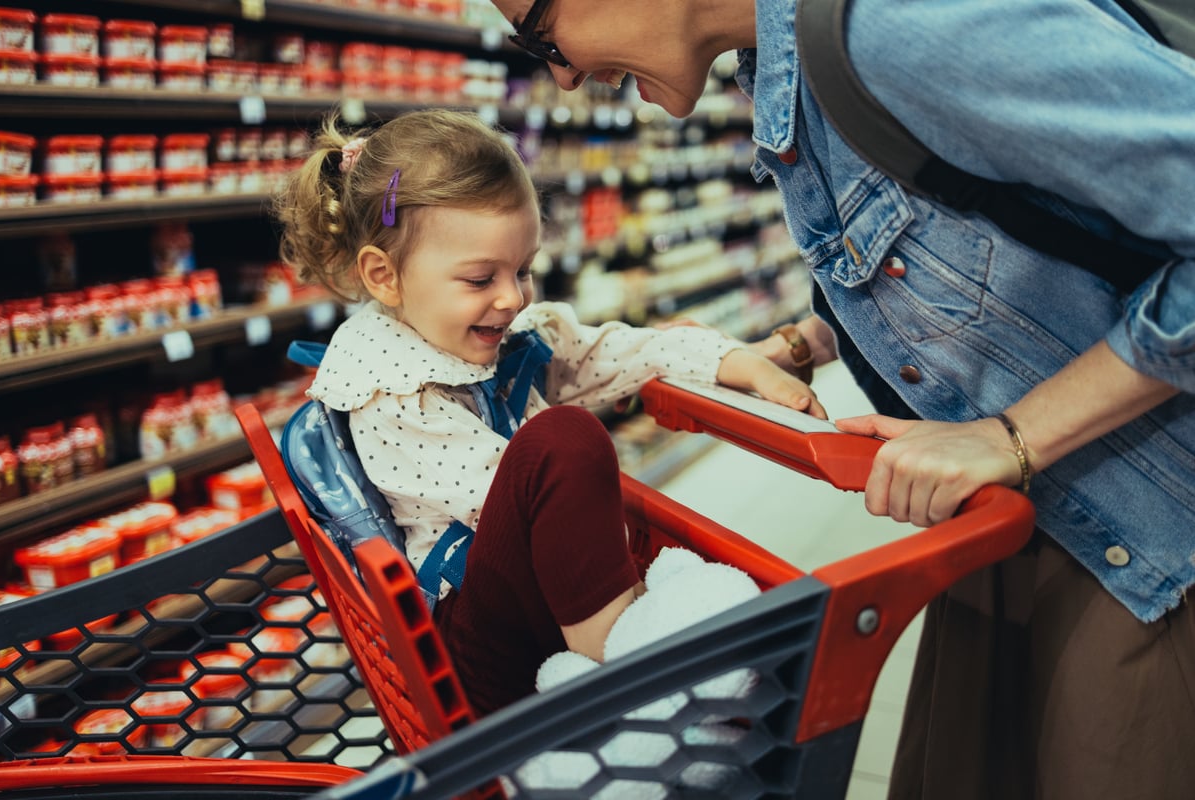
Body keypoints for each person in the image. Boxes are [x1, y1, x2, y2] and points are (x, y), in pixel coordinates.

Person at [481, 0, 1195, 797]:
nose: (562, 76)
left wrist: (1011, 434)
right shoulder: (789, 72)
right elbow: (955, 236)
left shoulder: (901, 25)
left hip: (1154, 525)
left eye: (541, 36)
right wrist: (807, 339)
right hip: (1028, 512)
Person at [272, 108, 824, 715]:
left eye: (523, 269)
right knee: (563, 440)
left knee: (567, 443)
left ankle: (631, 647)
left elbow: (614, 351)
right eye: (480, 278)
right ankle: (629, 686)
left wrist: (736, 361)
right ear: (384, 276)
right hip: (467, 660)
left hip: (528, 612)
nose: (512, 297)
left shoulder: (504, 339)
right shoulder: (390, 394)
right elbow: (524, 497)